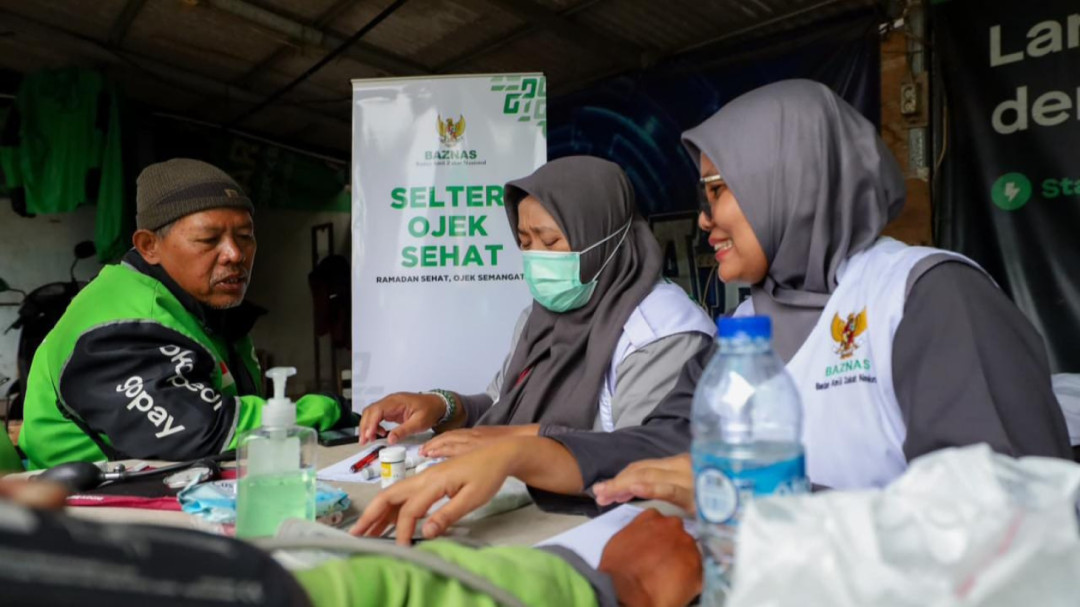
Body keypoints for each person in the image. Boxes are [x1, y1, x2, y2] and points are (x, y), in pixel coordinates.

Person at [353, 79, 1072, 542]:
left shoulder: (927, 298)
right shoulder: (756, 320)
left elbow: (1015, 524)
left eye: (721, 190)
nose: (704, 220)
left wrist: (768, 500)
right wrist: (519, 449)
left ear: (792, 177)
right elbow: (672, 447)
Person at [358, 156, 714, 457]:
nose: (535, 258)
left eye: (551, 240)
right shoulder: (540, 318)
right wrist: (440, 406)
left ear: (604, 237)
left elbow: (638, 457)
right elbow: (501, 404)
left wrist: (514, 445)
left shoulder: (661, 332)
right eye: (525, 242)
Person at [18, 159, 345, 470]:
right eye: (208, 239)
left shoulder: (200, 308)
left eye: (245, 237)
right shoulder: (116, 329)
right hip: (85, 508)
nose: (234, 254)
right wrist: (334, 409)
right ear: (149, 246)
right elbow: (207, 433)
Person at [0, 474, 701, 607]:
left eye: (550, 236)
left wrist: (517, 439)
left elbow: (650, 433)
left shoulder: (671, 326)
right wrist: (593, 587)